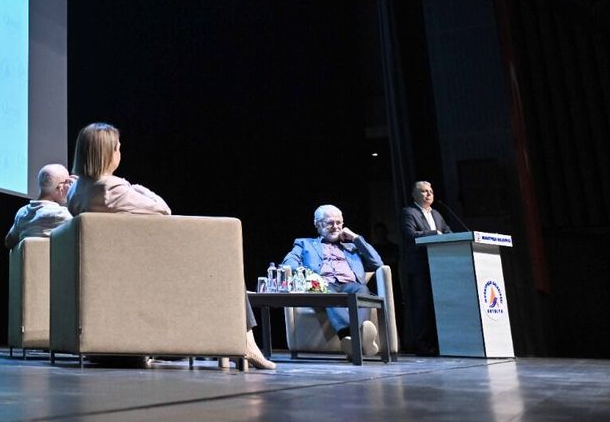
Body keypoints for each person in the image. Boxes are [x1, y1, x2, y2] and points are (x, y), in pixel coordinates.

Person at [66, 122, 275, 370]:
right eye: (117, 148)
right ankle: (246, 342)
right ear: (106, 153)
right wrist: (136, 187)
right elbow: (163, 209)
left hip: (115, 274)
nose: (120, 153)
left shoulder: (76, 193)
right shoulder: (113, 190)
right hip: (146, 273)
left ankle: (237, 343)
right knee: (226, 267)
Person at [281, 204, 384, 357]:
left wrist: (355, 238)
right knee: (326, 290)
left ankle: (351, 341)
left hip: (351, 285)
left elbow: (377, 263)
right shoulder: (304, 244)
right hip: (323, 285)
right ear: (318, 225)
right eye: (330, 223)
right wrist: (309, 276)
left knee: (362, 290)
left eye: (339, 222)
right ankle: (358, 337)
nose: (335, 226)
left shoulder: (352, 246)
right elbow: (288, 263)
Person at [400, 180, 451, 356]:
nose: (429, 194)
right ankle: (422, 346)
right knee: (422, 306)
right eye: (423, 191)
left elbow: (447, 233)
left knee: (436, 305)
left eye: (430, 191)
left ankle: (439, 343)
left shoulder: (436, 214)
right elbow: (410, 235)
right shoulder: (409, 212)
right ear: (414, 195)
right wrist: (434, 233)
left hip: (438, 267)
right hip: (419, 267)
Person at [4, 164, 75, 249]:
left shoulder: (22, 212)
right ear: (60, 188)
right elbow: (84, 228)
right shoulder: (61, 214)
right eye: (68, 183)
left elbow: (8, 242)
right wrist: (76, 191)